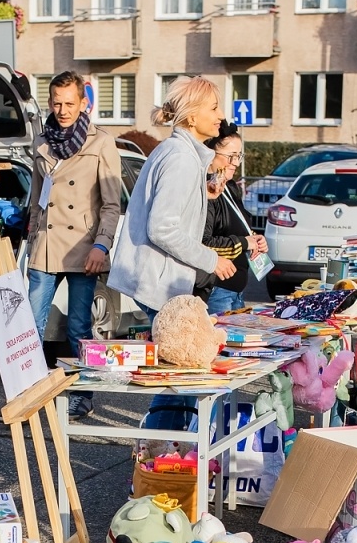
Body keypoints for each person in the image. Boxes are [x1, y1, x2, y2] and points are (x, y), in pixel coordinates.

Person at [108, 78, 235, 356]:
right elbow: (162, 228)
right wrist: (212, 260)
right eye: (213, 109)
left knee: (179, 373)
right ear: (192, 116)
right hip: (160, 284)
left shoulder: (178, 152)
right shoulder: (181, 157)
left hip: (161, 282)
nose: (221, 116)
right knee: (183, 371)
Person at [26, 69, 124, 401]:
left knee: (79, 328)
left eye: (70, 103)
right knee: (30, 328)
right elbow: (37, 199)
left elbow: (112, 204)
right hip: (46, 246)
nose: (63, 110)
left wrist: (102, 244)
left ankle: (81, 400)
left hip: (84, 248)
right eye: (57, 103)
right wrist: (31, 238)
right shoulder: (40, 142)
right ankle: (30, 394)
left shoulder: (101, 142)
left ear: (84, 103)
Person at [197, 121, 264, 316]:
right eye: (231, 157)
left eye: (239, 156)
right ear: (211, 154)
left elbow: (240, 227)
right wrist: (244, 243)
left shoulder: (230, 187)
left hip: (237, 290)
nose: (236, 162)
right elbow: (203, 242)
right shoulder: (207, 191)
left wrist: (256, 239)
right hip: (217, 290)